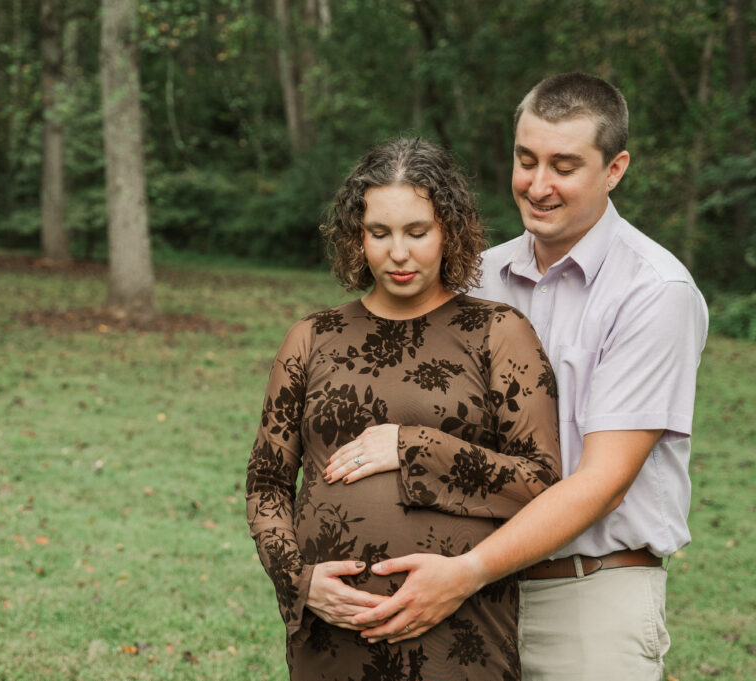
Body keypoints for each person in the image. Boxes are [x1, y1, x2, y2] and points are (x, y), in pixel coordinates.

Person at [342, 73, 709, 681]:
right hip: (461, 598)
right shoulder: (473, 278)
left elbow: (603, 484)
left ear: (614, 169)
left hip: (586, 600)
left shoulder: (652, 294)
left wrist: (466, 572)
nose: (538, 185)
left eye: (564, 166)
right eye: (525, 159)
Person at [245, 137, 561, 680]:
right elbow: (267, 484)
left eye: (417, 232)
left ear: (450, 232)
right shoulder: (311, 338)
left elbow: (539, 482)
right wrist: (297, 578)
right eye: (378, 233)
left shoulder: (498, 333)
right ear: (355, 237)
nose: (398, 252)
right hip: (332, 638)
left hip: (459, 633)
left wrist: (414, 446)